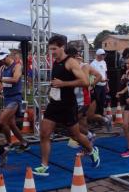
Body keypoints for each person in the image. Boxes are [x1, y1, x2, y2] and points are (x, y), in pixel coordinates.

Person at [33, 35, 100, 176]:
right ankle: (44, 166)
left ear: (62, 47)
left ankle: (91, 150)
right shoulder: (56, 62)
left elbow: (85, 82)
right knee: (44, 134)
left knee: (75, 135)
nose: (52, 52)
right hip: (54, 104)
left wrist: (63, 84)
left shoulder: (71, 62)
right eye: (50, 49)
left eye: (54, 49)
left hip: (68, 105)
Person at [65, 47, 102, 148]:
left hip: (83, 99)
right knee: (81, 121)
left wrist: (91, 84)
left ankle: (90, 136)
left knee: (71, 122)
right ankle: (84, 142)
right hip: (74, 99)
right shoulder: (68, 65)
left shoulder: (84, 66)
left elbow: (99, 76)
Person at [0, 48, 30, 152]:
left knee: (1, 121)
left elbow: (15, 79)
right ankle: (24, 143)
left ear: (8, 56)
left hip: (15, 98)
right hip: (6, 97)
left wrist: (2, 80)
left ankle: (10, 142)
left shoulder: (17, 66)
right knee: (11, 124)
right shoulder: (2, 68)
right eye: (1, 59)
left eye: (3, 58)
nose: (2, 61)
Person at [90, 49, 109, 121]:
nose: (104, 56)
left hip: (103, 85)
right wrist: (92, 86)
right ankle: (95, 118)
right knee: (96, 103)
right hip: (97, 86)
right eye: (103, 55)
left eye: (104, 55)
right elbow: (91, 76)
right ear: (98, 55)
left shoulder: (104, 62)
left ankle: (100, 119)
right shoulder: (93, 64)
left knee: (102, 102)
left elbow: (105, 73)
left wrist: (107, 85)